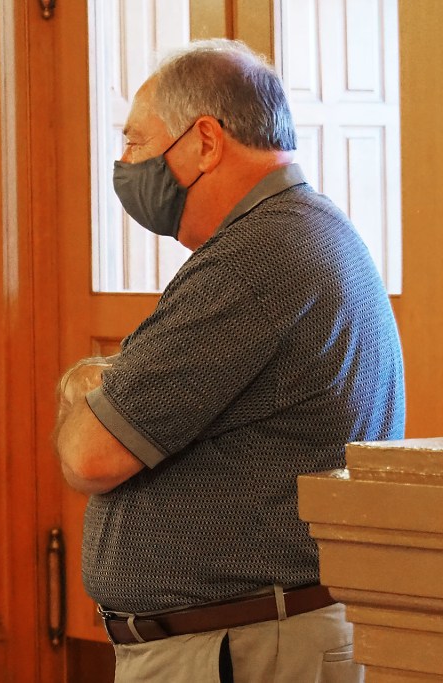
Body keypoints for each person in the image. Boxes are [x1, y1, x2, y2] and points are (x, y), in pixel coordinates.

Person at [53, 40, 404, 682]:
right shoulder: (297, 231)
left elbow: (90, 455)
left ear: (205, 141)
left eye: (135, 142)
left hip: (243, 650)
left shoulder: (257, 255)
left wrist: (89, 385)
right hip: (245, 640)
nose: (124, 163)